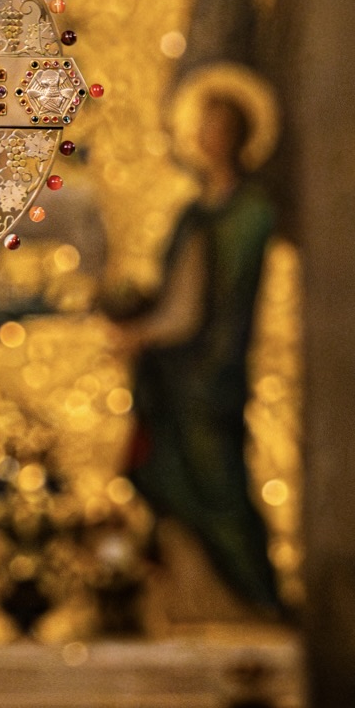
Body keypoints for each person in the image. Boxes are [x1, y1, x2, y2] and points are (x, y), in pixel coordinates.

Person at [114, 67, 283, 622]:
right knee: (172, 488)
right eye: (204, 124)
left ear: (239, 135)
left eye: (221, 125)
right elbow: (176, 294)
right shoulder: (192, 213)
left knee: (219, 490)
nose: (210, 136)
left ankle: (254, 602)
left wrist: (152, 329)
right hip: (174, 376)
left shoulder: (251, 213)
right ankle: (190, 608)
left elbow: (207, 304)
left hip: (212, 377)